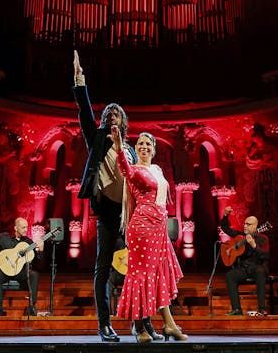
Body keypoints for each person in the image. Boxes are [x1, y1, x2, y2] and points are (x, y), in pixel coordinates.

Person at [72, 50, 138, 342]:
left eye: (117, 115)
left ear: (123, 122)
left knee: (139, 268)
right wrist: (79, 79)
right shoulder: (97, 138)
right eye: (109, 114)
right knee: (103, 268)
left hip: (130, 214)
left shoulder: (132, 149)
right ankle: (104, 324)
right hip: (107, 212)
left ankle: (140, 321)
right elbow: (85, 112)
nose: (113, 117)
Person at [111, 125, 187, 343]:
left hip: (159, 227)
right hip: (143, 225)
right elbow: (124, 169)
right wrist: (118, 148)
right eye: (141, 144)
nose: (144, 147)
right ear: (136, 149)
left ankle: (168, 324)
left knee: (158, 274)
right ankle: (140, 328)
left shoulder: (157, 170)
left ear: (153, 150)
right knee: (141, 274)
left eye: (148, 144)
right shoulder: (134, 169)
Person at [220, 206, 270, 316]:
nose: (245, 226)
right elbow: (225, 228)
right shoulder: (241, 236)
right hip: (244, 268)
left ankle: (261, 309)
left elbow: (265, 256)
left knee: (260, 272)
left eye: (248, 224)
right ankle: (237, 309)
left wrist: (254, 245)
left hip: (258, 266)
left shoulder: (263, 238)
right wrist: (225, 215)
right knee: (230, 275)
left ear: (256, 226)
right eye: (245, 223)